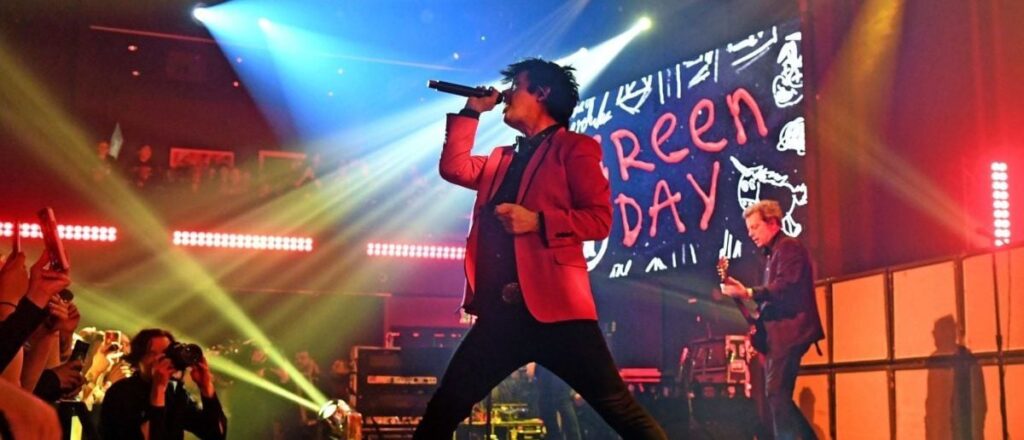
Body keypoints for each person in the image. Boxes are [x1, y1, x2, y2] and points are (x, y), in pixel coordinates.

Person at [414, 58, 666, 439]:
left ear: (543, 93)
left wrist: (538, 221)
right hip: (501, 316)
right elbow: (455, 168)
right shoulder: (501, 158)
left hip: (559, 314)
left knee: (620, 411)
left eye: (517, 85)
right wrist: (471, 111)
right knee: (444, 408)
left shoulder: (575, 149)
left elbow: (600, 220)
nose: (508, 93)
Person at [721, 199, 824, 440]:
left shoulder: (789, 247)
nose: (750, 234)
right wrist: (745, 293)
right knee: (778, 396)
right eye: (748, 229)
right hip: (781, 335)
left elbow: (785, 287)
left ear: (773, 223)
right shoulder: (774, 254)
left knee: (776, 394)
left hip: (790, 333)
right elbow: (775, 295)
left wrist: (747, 292)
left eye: (754, 227)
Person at [100, 329, 227, 440]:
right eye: (153, 353)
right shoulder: (121, 393)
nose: (160, 359)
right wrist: (158, 390)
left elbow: (216, 435)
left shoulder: (175, 393)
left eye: (166, 353)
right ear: (138, 360)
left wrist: (206, 387)